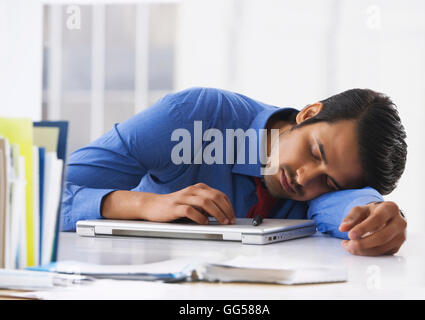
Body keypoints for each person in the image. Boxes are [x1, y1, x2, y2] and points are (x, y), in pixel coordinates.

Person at [62, 87, 407, 256]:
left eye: (328, 181)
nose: (303, 178)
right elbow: (43, 194)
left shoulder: (330, 187)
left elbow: (350, 206)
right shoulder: (191, 117)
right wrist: (144, 205)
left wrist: (375, 215)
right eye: (314, 151)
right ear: (308, 113)